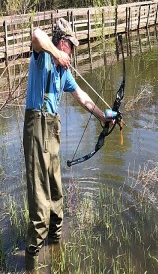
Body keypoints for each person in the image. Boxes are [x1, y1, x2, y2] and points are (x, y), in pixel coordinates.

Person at [23, 18, 108, 270]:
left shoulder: (64, 71)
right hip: (36, 127)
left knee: (56, 193)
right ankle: (32, 261)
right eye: (71, 46)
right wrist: (57, 53)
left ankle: (56, 249)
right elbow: (37, 34)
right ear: (63, 42)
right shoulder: (43, 57)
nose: (73, 51)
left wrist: (103, 116)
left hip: (53, 130)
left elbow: (82, 96)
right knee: (40, 201)